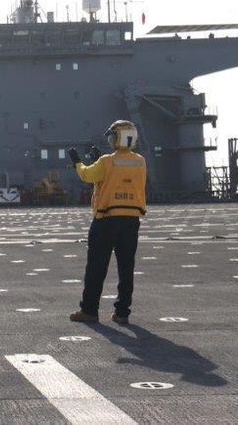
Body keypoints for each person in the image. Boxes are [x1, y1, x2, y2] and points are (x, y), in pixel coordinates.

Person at [68, 120, 147, 325]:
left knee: (96, 267)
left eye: (112, 136)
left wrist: (77, 161)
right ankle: (122, 313)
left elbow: (87, 175)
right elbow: (118, 178)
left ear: (117, 138)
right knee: (126, 268)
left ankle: (89, 310)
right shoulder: (140, 161)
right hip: (131, 221)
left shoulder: (107, 161)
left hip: (106, 221)